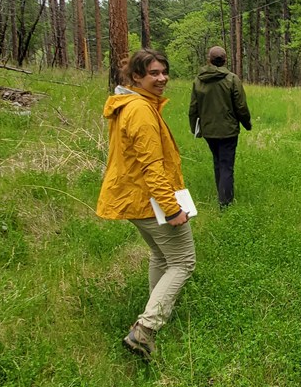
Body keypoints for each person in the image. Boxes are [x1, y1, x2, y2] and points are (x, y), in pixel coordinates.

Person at [97, 48, 195, 361]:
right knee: (183, 261)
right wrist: (172, 208)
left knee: (160, 254)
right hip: (149, 200)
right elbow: (151, 166)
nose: (162, 78)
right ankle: (146, 329)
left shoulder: (132, 103)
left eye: (164, 72)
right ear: (136, 76)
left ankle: (155, 310)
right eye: (153, 73)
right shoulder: (139, 109)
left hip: (136, 199)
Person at [188, 46, 252, 209]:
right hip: (228, 130)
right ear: (225, 60)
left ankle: (222, 195)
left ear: (208, 60)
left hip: (209, 130)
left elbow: (193, 108)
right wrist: (247, 124)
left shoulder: (198, 80)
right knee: (226, 165)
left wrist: (195, 128)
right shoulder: (232, 79)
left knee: (218, 162)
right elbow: (241, 106)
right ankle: (225, 202)